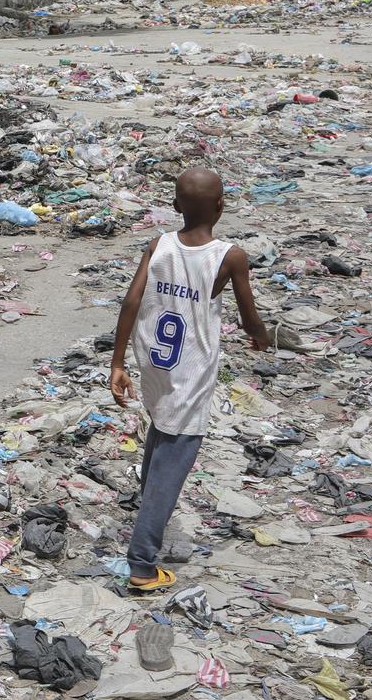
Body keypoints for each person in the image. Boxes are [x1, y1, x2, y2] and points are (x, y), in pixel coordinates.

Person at [109, 167, 271, 591]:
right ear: (222, 205)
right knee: (174, 459)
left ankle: (148, 507)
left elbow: (131, 300)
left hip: (154, 363)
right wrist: (261, 337)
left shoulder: (158, 245)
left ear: (176, 205)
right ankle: (142, 564)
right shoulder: (229, 255)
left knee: (161, 435)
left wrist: (117, 363)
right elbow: (248, 314)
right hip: (192, 371)